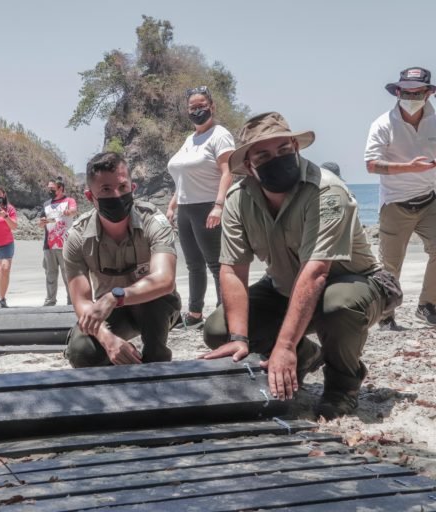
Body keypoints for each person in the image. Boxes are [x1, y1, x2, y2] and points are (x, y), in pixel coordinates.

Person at [201, 112, 398, 420]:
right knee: (218, 329)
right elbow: (232, 270)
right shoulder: (238, 199)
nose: (276, 159)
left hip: (356, 283)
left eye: (283, 150)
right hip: (285, 286)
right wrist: (238, 339)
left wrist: (284, 345)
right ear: (249, 167)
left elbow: (317, 272)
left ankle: (342, 388)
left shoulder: (327, 192)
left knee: (338, 305)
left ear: (296, 147)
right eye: (263, 155)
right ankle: (307, 355)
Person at [63, 152, 182, 367]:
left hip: (157, 308)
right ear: (90, 197)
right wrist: (106, 338)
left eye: (122, 187)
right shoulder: (77, 237)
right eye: (106, 190)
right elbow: (81, 301)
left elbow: (165, 280)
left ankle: (158, 358)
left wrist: (115, 296)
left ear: (132, 188)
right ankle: (124, 355)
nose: (117, 195)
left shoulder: (153, 221)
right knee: (81, 352)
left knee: (152, 304)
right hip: (110, 312)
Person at [364, 66, 436, 330]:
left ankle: (428, 306)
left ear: (429, 93)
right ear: (397, 91)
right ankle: (386, 317)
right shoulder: (383, 123)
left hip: (429, 199)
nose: (411, 96)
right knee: (390, 264)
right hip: (395, 203)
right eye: (406, 91)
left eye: (418, 92)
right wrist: (410, 167)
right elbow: (371, 165)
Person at [166, 86, 235, 328]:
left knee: (216, 264)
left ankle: (223, 313)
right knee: (194, 264)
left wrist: (218, 206)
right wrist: (173, 205)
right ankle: (195, 313)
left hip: (208, 206)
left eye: (202, 105)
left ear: (212, 106)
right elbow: (184, 177)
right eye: (192, 107)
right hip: (186, 208)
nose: (197, 111)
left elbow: (228, 172)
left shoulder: (220, 135)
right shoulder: (190, 138)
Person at [39, 177, 77, 306]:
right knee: (50, 274)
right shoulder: (46, 204)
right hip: (48, 244)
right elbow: (41, 222)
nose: (50, 191)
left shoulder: (69, 200)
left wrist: (69, 211)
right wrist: (42, 222)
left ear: (60, 188)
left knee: (68, 275)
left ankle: (71, 301)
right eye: (49, 188)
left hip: (65, 244)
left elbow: (73, 211)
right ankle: (50, 301)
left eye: (52, 189)